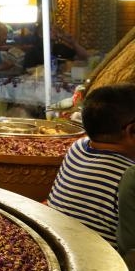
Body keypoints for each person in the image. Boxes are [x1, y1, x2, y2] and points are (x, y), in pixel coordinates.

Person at [48, 82, 135, 247]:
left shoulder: (78, 147)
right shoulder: (128, 175)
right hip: (106, 265)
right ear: (131, 130)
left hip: (61, 247)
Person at [21, 24, 89, 70]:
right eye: (50, 29)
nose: (54, 31)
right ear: (41, 34)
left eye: (55, 29)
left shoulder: (60, 48)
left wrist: (73, 42)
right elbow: (27, 73)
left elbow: (84, 57)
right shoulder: (32, 52)